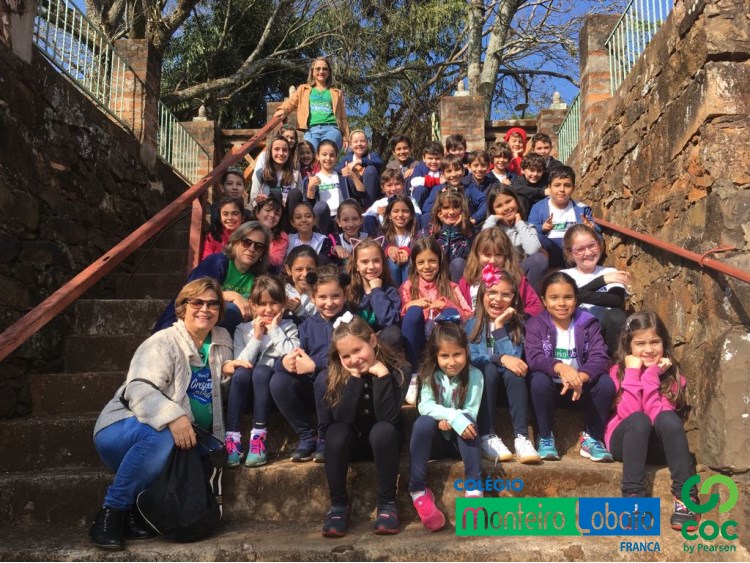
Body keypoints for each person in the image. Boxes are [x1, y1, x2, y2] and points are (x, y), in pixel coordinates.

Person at [89, 278, 247, 550]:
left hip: (183, 436)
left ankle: (134, 514)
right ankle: (110, 512)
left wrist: (226, 375)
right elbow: (138, 389)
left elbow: (209, 392)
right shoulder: (163, 342)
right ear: (182, 307)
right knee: (163, 436)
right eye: (197, 302)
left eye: (212, 304)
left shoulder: (222, 342)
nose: (205, 309)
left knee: (192, 451)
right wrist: (174, 416)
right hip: (121, 429)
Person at [604, 311, 701, 531]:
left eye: (655, 342)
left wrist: (651, 376)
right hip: (625, 441)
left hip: (657, 445)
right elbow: (629, 414)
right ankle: (633, 497)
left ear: (664, 343)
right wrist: (632, 372)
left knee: (669, 419)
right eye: (640, 343)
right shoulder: (617, 372)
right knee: (639, 420)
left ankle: (685, 497)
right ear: (628, 346)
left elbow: (657, 416)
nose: (648, 349)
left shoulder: (671, 377)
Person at [317, 315, 406, 537]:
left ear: (373, 341)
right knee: (335, 432)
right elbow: (343, 418)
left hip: (385, 443)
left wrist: (382, 376)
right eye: (346, 355)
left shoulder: (398, 369)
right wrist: (354, 379)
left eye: (357, 350)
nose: (353, 359)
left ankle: (387, 504)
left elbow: (388, 417)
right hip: (354, 442)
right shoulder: (336, 374)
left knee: (383, 430)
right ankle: (338, 505)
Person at [525, 272, 615, 461]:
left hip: (579, 390)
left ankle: (591, 438)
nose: (561, 303)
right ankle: (545, 437)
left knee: (605, 383)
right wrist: (560, 367)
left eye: (568, 297)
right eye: (554, 298)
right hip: (550, 390)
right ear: (544, 300)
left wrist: (581, 376)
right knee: (538, 380)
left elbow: (600, 356)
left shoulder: (588, 323)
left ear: (576, 299)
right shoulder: (536, 324)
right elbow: (534, 358)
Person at [409, 321, 483, 532]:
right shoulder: (427, 374)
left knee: (468, 421)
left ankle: (474, 490)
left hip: (461, 443)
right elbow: (425, 406)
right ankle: (418, 491)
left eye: (457, 354)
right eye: (444, 356)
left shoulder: (475, 375)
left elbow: (471, 410)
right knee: (423, 422)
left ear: (466, 351)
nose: (452, 362)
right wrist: (452, 416)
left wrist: (456, 421)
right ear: (435, 356)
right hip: (436, 442)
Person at [271, 265, 351, 462]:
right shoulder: (306, 326)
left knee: (324, 377)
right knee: (278, 380)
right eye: (322, 297)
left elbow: (351, 359)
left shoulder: (352, 323)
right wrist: (284, 363)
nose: (329, 303)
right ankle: (307, 436)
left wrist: (315, 365)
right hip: (312, 387)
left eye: (336, 296)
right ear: (313, 298)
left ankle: (324, 437)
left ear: (345, 295)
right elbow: (297, 355)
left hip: (341, 387)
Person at [465, 264, 540, 464]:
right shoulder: (472, 324)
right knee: (488, 368)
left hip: (510, 390)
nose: (498, 299)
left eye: (506, 295)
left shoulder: (517, 326)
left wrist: (499, 327)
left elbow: (514, 358)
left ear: (514, 299)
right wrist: (499, 359)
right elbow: (472, 357)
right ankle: (487, 436)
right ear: (482, 295)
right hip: (483, 389)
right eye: (492, 292)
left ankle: (522, 438)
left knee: (514, 370)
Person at [227, 276, 300, 468]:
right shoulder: (242, 330)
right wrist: (257, 336)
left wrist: (274, 330)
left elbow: (292, 355)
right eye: (262, 304)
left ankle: (258, 439)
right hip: (245, 394)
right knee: (241, 373)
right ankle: (232, 438)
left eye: (274, 303)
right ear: (253, 305)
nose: (268, 310)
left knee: (261, 371)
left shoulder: (289, 327)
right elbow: (240, 362)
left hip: (271, 394)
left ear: (283, 304)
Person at [153, 222, 271, 337]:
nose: (252, 249)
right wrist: (234, 296)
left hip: (229, 334)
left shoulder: (259, 277)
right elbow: (192, 295)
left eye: (259, 246)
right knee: (231, 310)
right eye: (246, 242)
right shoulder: (217, 262)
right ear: (235, 242)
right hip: (181, 326)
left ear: (262, 253)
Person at [399, 237, 472, 377]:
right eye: (421, 262)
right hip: (418, 344)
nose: (427, 266)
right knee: (413, 312)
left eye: (432, 261)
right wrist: (410, 305)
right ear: (414, 264)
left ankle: (449, 370)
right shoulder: (407, 287)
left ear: (439, 261)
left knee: (450, 311)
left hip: (443, 344)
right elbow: (401, 319)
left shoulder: (451, 287)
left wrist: (446, 304)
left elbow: (468, 315)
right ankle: (414, 373)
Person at [561, 224, 629, 354]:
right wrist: (601, 281)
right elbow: (566, 303)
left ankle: (615, 360)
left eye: (592, 245)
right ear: (570, 253)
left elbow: (615, 300)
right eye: (580, 249)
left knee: (616, 315)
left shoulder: (611, 272)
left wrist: (579, 295)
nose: (588, 253)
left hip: (604, 334)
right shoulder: (563, 276)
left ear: (599, 244)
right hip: (574, 333)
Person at [458, 227, 543, 316]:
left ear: (506, 255)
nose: (492, 261)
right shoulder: (467, 282)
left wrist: (514, 316)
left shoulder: (517, 280)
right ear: (477, 255)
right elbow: (459, 310)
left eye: (498, 255)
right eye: (487, 255)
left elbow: (536, 307)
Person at [273, 57, 350, 152]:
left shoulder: (336, 93)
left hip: (332, 129)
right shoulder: (303, 89)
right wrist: (283, 109)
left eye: (325, 69)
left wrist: (346, 136)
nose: (321, 71)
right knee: (309, 155)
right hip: (311, 130)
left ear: (329, 72)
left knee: (326, 152)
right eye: (318, 69)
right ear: (312, 72)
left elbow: (343, 117)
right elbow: (291, 102)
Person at [528, 166, 598, 268]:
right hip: (550, 250)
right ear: (549, 187)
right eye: (557, 185)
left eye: (567, 185)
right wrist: (542, 227)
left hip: (574, 249)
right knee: (537, 239)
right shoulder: (538, 207)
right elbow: (529, 230)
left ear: (573, 188)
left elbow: (595, 229)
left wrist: (590, 228)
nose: (562, 190)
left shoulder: (582, 209)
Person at [483, 185, 547, 294]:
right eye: (499, 206)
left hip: (519, 272)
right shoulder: (493, 229)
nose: (506, 208)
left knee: (539, 259)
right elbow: (483, 245)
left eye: (508, 201)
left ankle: (530, 300)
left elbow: (532, 250)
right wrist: (493, 218)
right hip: (497, 273)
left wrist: (519, 223)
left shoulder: (526, 227)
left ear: (516, 201)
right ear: (493, 210)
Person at [293, 140, 362, 235]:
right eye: (324, 155)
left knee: (352, 203)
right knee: (321, 206)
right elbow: (309, 205)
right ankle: (321, 239)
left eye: (332, 155)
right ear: (318, 156)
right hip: (322, 219)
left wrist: (353, 176)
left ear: (337, 157)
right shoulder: (311, 178)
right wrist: (311, 187)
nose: (328, 158)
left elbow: (361, 194)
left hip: (342, 219)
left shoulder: (342, 175)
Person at [345, 238, 402, 349]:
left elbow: (389, 321)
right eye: (364, 262)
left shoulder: (390, 291)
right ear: (356, 266)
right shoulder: (350, 291)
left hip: (382, 345)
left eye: (376, 261)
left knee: (393, 333)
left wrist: (377, 291)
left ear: (383, 263)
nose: (371, 266)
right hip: (356, 344)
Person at [421, 154, 486, 229]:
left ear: (463, 171)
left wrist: (474, 218)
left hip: (464, 226)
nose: (454, 174)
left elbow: (484, 203)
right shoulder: (438, 189)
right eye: (449, 171)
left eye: (457, 170)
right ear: (443, 174)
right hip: (443, 224)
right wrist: (442, 210)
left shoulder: (469, 189)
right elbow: (426, 207)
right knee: (425, 216)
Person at [424, 189, 474, 283]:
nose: (451, 212)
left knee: (458, 263)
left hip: (459, 276)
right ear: (439, 210)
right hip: (437, 276)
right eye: (446, 208)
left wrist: (455, 230)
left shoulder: (469, 229)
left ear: (462, 209)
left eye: (456, 207)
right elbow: (441, 257)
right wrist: (446, 228)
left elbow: (458, 257)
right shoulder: (430, 229)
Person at [249, 135, 302, 208]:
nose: (281, 153)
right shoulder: (260, 173)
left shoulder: (296, 175)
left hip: (289, 212)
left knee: (295, 193)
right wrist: (258, 200)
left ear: (289, 153)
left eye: (284, 150)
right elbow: (253, 201)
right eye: (277, 149)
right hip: (268, 211)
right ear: (270, 151)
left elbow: (300, 199)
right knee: (276, 193)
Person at [363, 168, 422, 233]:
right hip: (384, 234)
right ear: (383, 188)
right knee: (368, 218)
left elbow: (418, 214)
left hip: (406, 233)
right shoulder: (380, 203)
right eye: (389, 185)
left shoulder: (410, 200)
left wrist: (387, 211)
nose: (394, 188)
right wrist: (377, 211)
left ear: (403, 185)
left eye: (397, 184)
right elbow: (366, 215)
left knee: (417, 217)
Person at [337, 130, 384, 208]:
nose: (359, 144)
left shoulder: (372, 156)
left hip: (371, 199)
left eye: (362, 141)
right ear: (351, 145)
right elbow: (336, 170)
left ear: (367, 143)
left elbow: (379, 163)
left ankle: (369, 209)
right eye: (355, 142)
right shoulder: (347, 159)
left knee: (370, 169)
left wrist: (359, 161)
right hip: (354, 198)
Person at [382, 195, 418, 285]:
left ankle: (408, 292)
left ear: (411, 215)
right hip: (389, 273)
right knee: (393, 265)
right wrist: (388, 249)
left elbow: (422, 249)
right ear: (389, 215)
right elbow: (376, 250)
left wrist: (408, 251)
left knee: (409, 264)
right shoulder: (382, 234)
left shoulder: (418, 234)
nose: (400, 215)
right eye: (396, 211)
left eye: (405, 211)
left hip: (410, 271)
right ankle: (394, 292)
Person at [252, 195, 288, 272]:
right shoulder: (248, 229)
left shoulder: (281, 236)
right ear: (257, 213)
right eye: (268, 210)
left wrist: (260, 253)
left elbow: (278, 260)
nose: (272, 215)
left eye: (277, 214)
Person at [284, 245, 319, 322]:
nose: (305, 274)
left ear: (317, 269)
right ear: (288, 270)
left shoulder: (320, 295)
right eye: (299, 269)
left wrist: (300, 310)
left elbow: (318, 323)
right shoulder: (282, 292)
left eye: (310, 269)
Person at [328, 199, 368, 266]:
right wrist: (334, 248)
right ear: (339, 222)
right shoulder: (334, 240)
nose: (351, 224)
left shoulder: (368, 238)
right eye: (345, 220)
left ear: (361, 220)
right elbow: (323, 256)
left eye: (355, 219)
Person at [509, 152, 549, 216]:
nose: (535, 174)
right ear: (522, 170)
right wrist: (542, 192)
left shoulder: (546, 180)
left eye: (539, 171)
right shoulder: (519, 182)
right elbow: (516, 188)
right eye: (532, 170)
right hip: (525, 216)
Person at [409, 141, 444, 209]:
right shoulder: (420, 168)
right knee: (420, 189)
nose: (434, 161)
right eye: (430, 158)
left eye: (437, 158)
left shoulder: (443, 169)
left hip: (436, 200)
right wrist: (437, 181)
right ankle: (415, 211)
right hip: (421, 199)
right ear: (424, 158)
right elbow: (414, 182)